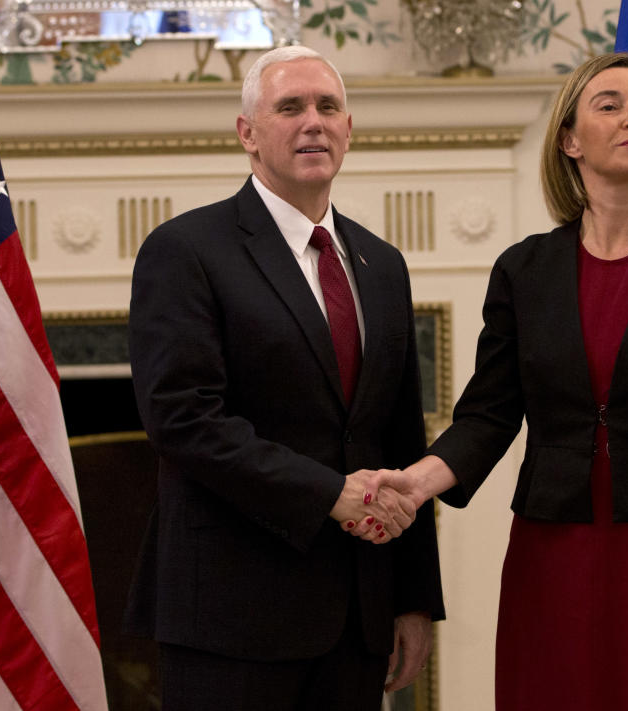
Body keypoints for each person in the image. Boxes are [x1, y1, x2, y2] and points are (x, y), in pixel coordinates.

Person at [351, 52, 628, 710]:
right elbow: (487, 416)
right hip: (552, 558)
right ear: (570, 139)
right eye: (611, 104)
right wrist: (415, 481)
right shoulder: (525, 270)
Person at [123, 46, 444, 710]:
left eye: (328, 107)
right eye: (290, 107)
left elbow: (400, 435)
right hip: (229, 616)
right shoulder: (186, 251)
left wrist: (415, 598)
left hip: (357, 619)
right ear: (247, 133)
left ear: (349, 128)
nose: (313, 123)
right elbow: (182, 419)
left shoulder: (381, 264)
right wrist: (330, 492)